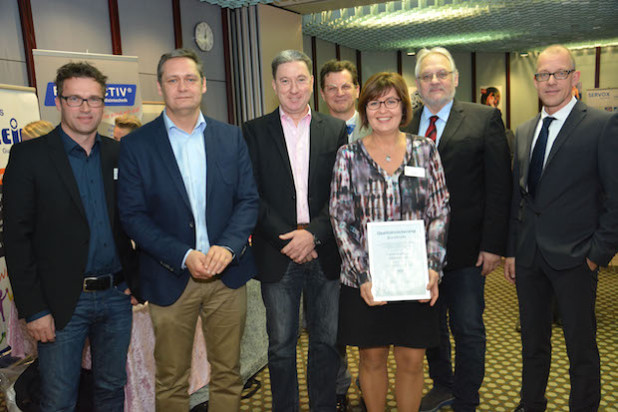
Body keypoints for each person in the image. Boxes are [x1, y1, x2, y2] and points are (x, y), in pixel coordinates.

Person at [117, 48, 259, 411]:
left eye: (190, 79)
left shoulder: (230, 137)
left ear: (204, 85)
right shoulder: (136, 145)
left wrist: (227, 248)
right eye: (173, 79)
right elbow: (132, 215)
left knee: (228, 373)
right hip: (170, 277)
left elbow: (248, 201)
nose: (183, 87)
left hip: (227, 277)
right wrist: (183, 255)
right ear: (161, 87)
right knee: (171, 378)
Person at [2, 61, 138, 411]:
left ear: (103, 103)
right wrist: (34, 310)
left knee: (110, 390)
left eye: (93, 99)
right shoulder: (29, 156)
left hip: (115, 298)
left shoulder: (117, 153)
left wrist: (137, 280)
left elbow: (134, 221)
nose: (85, 107)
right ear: (59, 101)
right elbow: (17, 240)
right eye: (75, 98)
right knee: (60, 399)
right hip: (62, 303)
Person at [504, 45, 618, 412]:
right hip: (528, 256)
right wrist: (511, 250)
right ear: (534, 80)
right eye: (543, 74)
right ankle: (530, 403)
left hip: (576, 258)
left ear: (575, 77)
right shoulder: (524, 130)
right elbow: (517, 198)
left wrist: (596, 255)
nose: (550, 81)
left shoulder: (601, 125)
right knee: (533, 342)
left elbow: (616, 199)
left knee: (580, 346)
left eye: (559, 73)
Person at [330, 71, 449, 411]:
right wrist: (364, 275)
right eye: (374, 102)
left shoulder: (425, 151)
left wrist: (433, 268)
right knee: (372, 360)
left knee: (412, 362)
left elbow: (440, 211)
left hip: (415, 280)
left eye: (391, 101)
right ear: (364, 108)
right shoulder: (348, 157)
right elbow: (341, 219)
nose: (383, 109)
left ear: (404, 107)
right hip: (366, 281)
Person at [403, 47, 512, 412]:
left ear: (455, 78)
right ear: (417, 83)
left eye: (441, 74)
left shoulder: (484, 119)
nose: (435, 81)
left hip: (467, 249)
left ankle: (467, 395)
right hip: (417, 250)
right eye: (427, 76)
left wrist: (494, 244)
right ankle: (443, 384)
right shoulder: (404, 123)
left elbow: (500, 187)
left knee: (467, 327)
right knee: (430, 326)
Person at [242, 49, 347, 412]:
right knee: (281, 347)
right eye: (285, 81)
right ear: (274, 85)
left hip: (325, 248)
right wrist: (290, 239)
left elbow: (341, 193)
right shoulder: (253, 131)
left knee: (326, 342)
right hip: (278, 251)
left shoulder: (334, 130)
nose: (293, 88)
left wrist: (313, 234)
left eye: (301, 79)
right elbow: (250, 194)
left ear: (312, 84)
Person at [320, 59, 371, 143]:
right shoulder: (313, 134)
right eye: (332, 88)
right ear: (323, 94)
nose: (340, 93)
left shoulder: (375, 128)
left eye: (345, 87)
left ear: (357, 91)